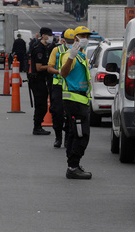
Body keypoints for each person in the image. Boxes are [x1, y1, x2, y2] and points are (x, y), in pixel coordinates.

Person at [59, 26, 93, 179]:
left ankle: (73, 165)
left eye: (87, 35)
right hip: (74, 100)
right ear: (76, 38)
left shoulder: (82, 55)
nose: (86, 38)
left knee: (74, 134)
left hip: (80, 100)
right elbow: (63, 73)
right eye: (83, 35)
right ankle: (73, 167)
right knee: (81, 134)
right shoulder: (70, 55)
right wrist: (71, 56)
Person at [47, 29, 74, 148]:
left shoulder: (79, 51)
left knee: (70, 113)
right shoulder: (57, 50)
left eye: (72, 41)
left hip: (71, 87)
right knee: (57, 112)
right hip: (58, 86)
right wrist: (60, 72)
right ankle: (58, 136)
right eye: (68, 41)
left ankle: (68, 137)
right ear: (63, 40)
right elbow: (49, 67)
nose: (70, 43)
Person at [29, 27, 54, 136]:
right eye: (49, 35)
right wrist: (50, 67)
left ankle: (38, 126)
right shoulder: (39, 49)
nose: (50, 38)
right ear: (43, 35)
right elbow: (38, 67)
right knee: (41, 105)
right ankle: (37, 127)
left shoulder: (46, 48)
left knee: (43, 104)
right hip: (37, 80)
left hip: (43, 79)